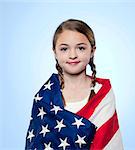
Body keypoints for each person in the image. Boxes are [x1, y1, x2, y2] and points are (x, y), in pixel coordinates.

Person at [25, 19, 124, 150]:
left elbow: (108, 143)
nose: (73, 55)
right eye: (64, 49)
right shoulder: (44, 97)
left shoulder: (103, 94)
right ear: (55, 52)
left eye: (81, 48)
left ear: (92, 51)